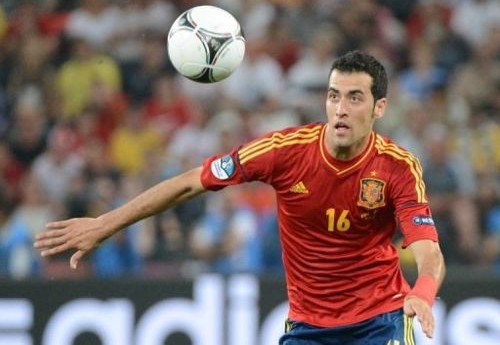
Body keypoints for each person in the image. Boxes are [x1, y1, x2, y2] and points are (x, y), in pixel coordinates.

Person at [34, 51, 446, 344]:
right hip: (307, 327)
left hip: (380, 320)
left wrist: (421, 294)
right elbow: (190, 182)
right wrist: (103, 224)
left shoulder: (396, 166)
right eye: (334, 95)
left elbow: (429, 253)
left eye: (355, 98)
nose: (340, 108)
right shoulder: (283, 152)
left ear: (379, 108)